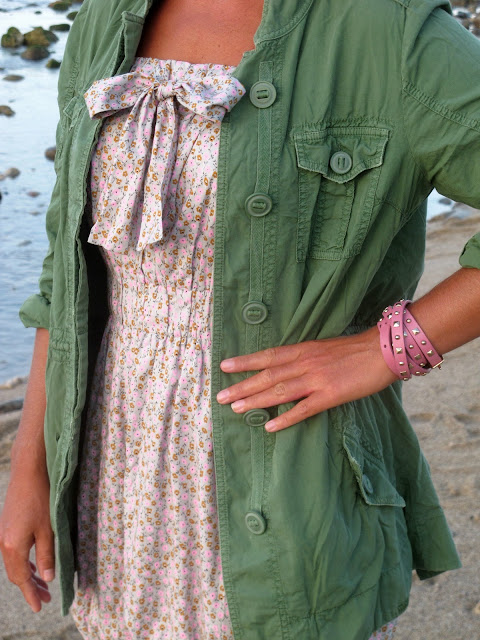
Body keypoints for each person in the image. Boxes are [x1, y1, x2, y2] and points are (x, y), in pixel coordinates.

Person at [1, 0, 480, 638]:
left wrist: (386, 349)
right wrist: (30, 466)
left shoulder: (390, 32)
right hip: (115, 478)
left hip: (289, 487)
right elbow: (66, 275)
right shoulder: (103, 19)